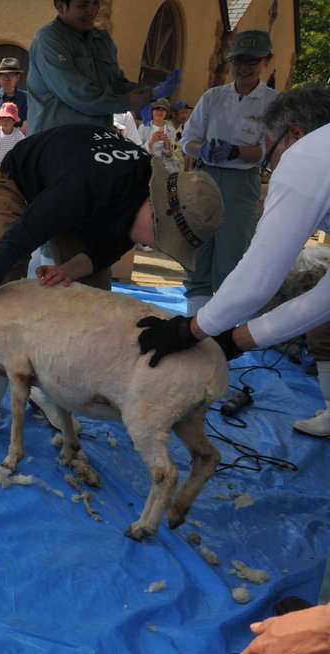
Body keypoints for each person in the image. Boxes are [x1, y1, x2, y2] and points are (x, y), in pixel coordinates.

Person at [0, 124, 223, 448]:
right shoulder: (84, 188)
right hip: (21, 183)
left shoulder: (145, 196)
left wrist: (67, 270)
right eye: (161, 241)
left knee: (91, 297)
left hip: (82, 201)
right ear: (154, 211)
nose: (157, 249)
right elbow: (9, 248)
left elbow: (106, 249)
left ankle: (48, 387)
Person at [137, 87, 330, 438]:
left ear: (296, 134)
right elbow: (324, 301)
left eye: (269, 154)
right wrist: (234, 340)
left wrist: (190, 331)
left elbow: (258, 280)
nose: (269, 167)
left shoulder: (307, 155)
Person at [179, 29, 279, 315]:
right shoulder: (213, 96)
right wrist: (204, 149)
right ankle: (194, 321)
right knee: (197, 251)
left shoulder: (274, 102)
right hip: (204, 178)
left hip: (241, 183)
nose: (243, 67)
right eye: (238, 60)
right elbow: (188, 140)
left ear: (266, 61)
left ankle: (221, 330)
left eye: (251, 60)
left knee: (231, 257)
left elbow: (269, 152)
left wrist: (236, 151)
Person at [27, 0, 154, 134]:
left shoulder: (102, 39)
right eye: (83, 5)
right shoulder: (49, 39)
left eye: (95, 3)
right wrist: (125, 101)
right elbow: (75, 92)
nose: (92, 10)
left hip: (96, 139)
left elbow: (115, 83)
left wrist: (146, 92)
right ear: (61, 7)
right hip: (53, 140)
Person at [0, 57, 28, 133]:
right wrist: (13, 132)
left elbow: (27, 125)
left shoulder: (26, 97)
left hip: (19, 143)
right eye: (3, 75)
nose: (6, 78)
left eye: (10, 74)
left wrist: (12, 135)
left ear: (18, 77)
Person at [142, 99, 177, 171]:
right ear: (152, 111)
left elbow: (170, 156)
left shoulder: (171, 130)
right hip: (145, 164)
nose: (160, 112)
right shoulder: (143, 127)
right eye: (157, 109)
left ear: (167, 113)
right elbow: (138, 149)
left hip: (164, 167)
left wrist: (167, 144)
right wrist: (152, 141)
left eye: (163, 110)